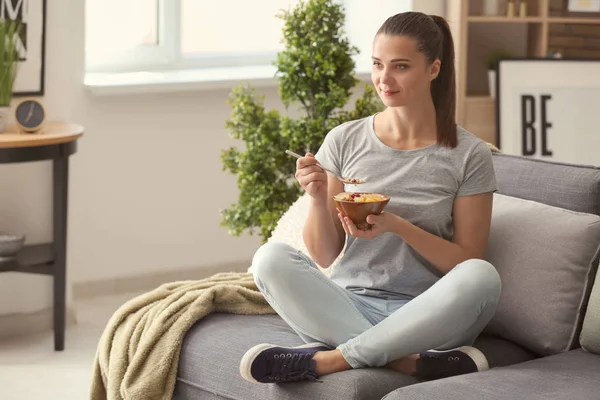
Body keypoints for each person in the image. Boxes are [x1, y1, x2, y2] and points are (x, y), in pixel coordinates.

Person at [239, 11, 501, 384]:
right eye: (377, 64)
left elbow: (466, 259)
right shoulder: (344, 140)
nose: (384, 79)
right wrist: (317, 198)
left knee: (482, 276)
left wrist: (397, 227)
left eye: (400, 66)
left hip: (426, 314)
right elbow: (326, 254)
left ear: (433, 69)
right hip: (351, 301)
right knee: (269, 258)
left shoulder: (468, 154)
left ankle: (328, 360)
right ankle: (407, 362)